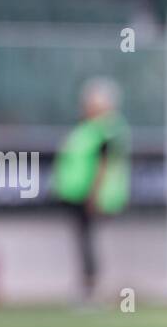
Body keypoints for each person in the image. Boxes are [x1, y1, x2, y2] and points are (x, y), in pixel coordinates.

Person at [53, 77, 129, 302]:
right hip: (76, 194)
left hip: (90, 196)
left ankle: (90, 291)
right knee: (83, 240)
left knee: (87, 242)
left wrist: (94, 195)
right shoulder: (88, 128)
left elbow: (103, 164)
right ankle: (86, 288)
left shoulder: (107, 129)